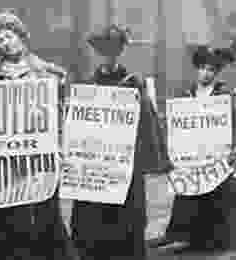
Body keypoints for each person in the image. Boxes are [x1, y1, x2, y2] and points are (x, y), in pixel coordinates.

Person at [0, 11, 72, 260]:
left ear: (21, 37)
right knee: (5, 216)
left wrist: (59, 144)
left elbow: (59, 115)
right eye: (0, 40)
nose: (6, 43)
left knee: (42, 214)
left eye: (9, 36)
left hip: (39, 159)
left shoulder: (47, 73)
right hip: (3, 161)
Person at [69, 24, 172, 260]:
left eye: (112, 53)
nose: (108, 58)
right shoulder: (87, 85)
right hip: (94, 163)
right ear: (98, 55)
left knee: (126, 218)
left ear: (119, 54)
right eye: (103, 53)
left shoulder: (133, 84)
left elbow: (148, 122)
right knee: (92, 216)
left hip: (126, 162)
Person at [160, 45, 236, 251]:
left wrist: (233, 109)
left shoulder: (224, 92)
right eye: (202, 68)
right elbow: (175, 122)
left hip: (217, 154)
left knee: (216, 193)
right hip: (192, 153)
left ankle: (215, 237)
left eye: (210, 70)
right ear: (196, 69)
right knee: (192, 192)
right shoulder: (186, 92)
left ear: (216, 73)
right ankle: (191, 236)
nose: (205, 73)